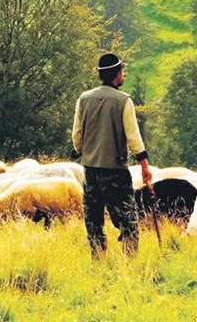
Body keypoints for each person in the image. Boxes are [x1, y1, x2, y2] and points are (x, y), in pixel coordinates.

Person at [72, 52, 153, 258]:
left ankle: (98, 259)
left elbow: (77, 136)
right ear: (117, 74)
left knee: (93, 220)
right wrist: (144, 167)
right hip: (115, 171)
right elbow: (133, 138)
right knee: (128, 220)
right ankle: (129, 261)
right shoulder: (123, 101)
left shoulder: (84, 99)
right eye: (122, 71)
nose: (123, 74)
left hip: (90, 170)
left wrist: (83, 151)